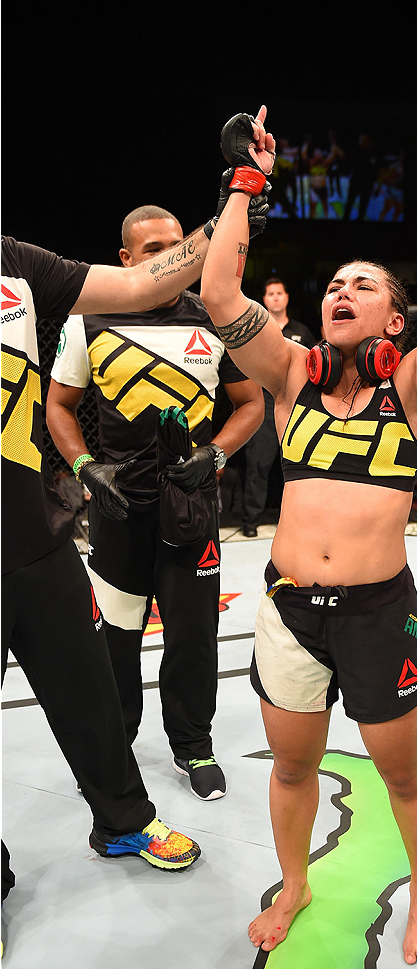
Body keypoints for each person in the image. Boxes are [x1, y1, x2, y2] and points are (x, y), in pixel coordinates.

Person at [198, 86, 417, 966]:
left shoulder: (415, 390)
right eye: (334, 283)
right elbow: (220, 292)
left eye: (361, 285)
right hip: (291, 609)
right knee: (290, 767)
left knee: (404, 771)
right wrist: (246, 183)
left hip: (375, 613)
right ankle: (295, 882)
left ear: (394, 321)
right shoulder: (290, 375)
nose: (340, 290)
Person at [1, 220, 220, 896]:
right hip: (73, 516)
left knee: (88, 682)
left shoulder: (13, 258)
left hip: (34, 531)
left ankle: (124, 818)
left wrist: (231, 200)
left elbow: (137, 283)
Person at [46, 205, 264, 801]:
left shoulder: (216, 318)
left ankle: (193, 746)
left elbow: (251, 406)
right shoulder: (87, 318)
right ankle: (118, 747)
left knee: (194, 635)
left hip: (192, 509)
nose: (170, 256)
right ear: (125, 260)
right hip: (119, 513)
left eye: (177, 244)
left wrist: (214, 456)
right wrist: (87, 467)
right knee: (116, 636)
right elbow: (58, 406)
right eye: (153, 249)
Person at [241, 278, 314, 537]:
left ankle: (296, 521)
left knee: (297, 467)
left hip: (295, 406)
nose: (274, 297)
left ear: (286, 297)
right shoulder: (254, 331)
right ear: (264, 299)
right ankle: (251, 521)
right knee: (257, 465)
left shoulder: (302, 331)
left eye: (279, 293)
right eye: (269, 293)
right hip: (264, 402)